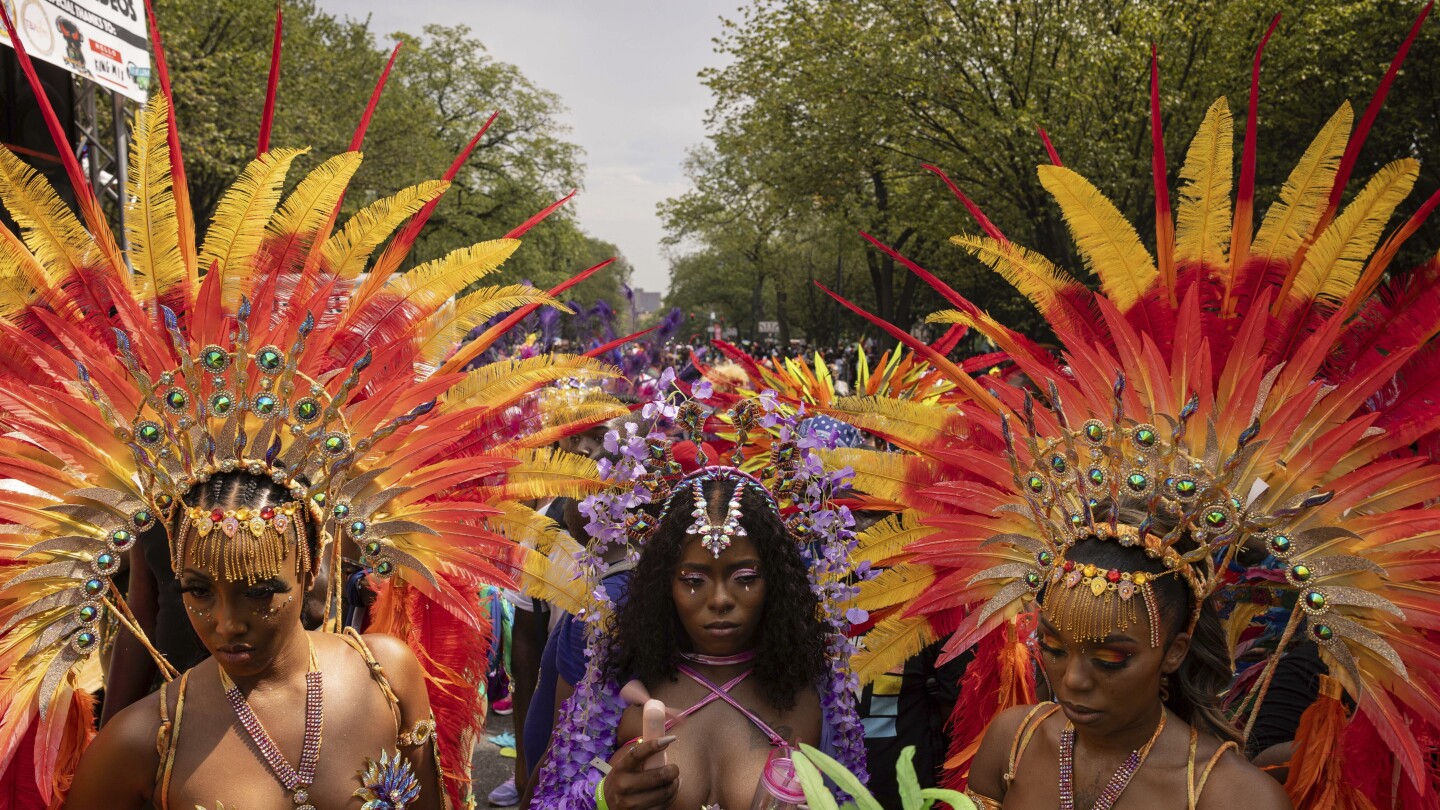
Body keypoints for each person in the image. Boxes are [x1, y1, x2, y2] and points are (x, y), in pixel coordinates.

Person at [68, 472, 444, 810]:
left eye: (260, 592)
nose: (228, 624)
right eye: (199, 591)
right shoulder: (141, 739)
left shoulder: (385, 673)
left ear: (310, 568)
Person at [965, 518, 1290, 809]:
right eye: (1053, 647)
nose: (1073, 681)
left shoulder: (1233, 796)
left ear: (1174, 652)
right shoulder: (1013, 741)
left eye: (1110, 658)